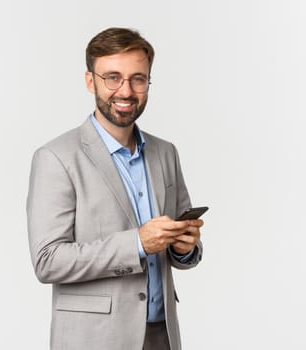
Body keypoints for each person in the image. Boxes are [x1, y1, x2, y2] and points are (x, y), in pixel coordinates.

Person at [27, 27, 204, 350]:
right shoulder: (56, 157)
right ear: (90, 81)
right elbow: (47, 260)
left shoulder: (166, 153)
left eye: (138, 78)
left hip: (161, 334)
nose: (126, 90)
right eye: (113, 77)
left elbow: (181, 252)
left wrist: (184, 247)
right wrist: (137, 242)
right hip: (94, 338)